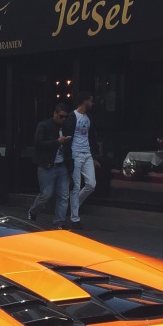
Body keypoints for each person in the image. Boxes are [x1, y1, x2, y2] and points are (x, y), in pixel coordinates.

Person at [29, 103, 72, 228]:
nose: (63, 119)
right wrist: (57, 142)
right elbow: (38, 143)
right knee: (46, 194)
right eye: (61, 116)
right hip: (47, 164)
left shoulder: (66, 126)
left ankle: (59, 222)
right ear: (55, 114)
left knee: (63, 196)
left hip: (62, 164)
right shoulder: (44, 126)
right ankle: (33, 211)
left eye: (65, 117)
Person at [64, 92, 96, 227]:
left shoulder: (88, 117)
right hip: (75, 153)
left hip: (87, 153)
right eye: (91, 100)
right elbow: (66, 138)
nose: (92, 103)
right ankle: (75, 218)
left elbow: (92, 135)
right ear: (85, 101)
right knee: (76, 186)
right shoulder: (72, 117)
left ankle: (75, 204)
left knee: (91, 184)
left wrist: (94, 155)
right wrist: (68, 157)